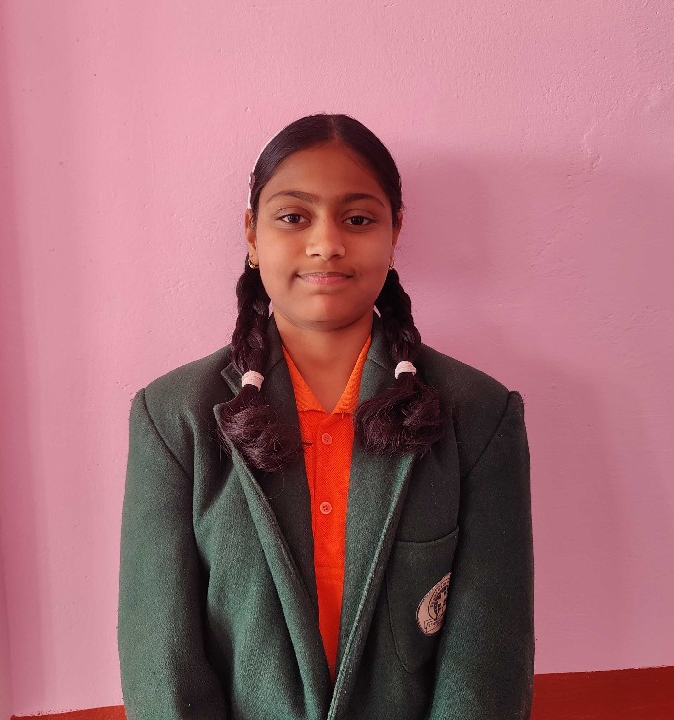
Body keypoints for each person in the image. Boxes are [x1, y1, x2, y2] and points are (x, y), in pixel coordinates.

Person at [117, 112, 535, 719]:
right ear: (252, 234)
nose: (327, 243)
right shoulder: (173, 416)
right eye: (294, 217)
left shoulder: (477, 414)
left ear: (395, 231)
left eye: (358, 219)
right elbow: (161, 662)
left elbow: (488, 660)